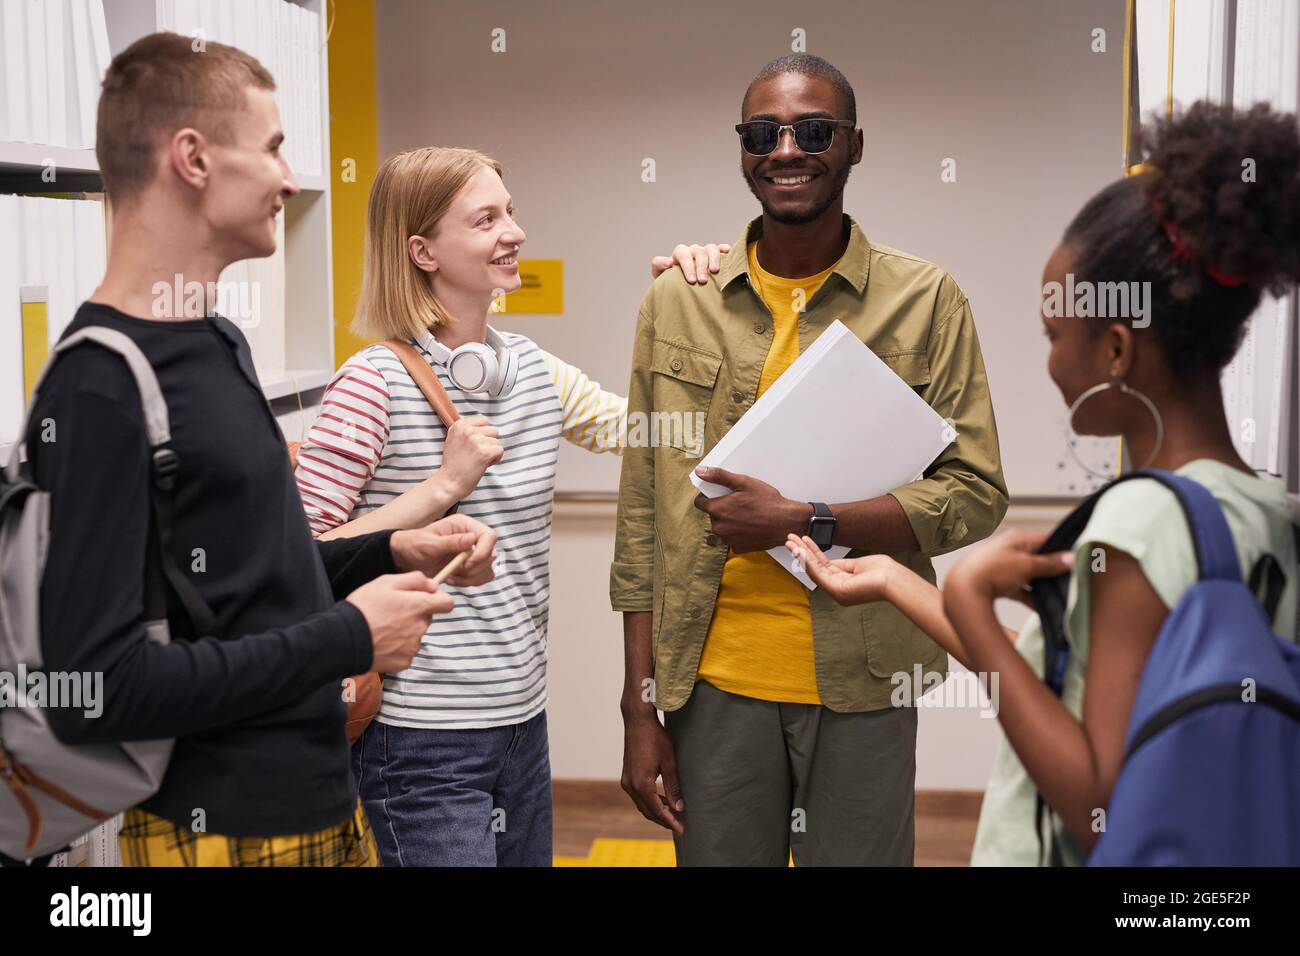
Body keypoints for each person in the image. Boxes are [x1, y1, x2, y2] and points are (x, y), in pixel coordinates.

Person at [789, 101, 1300, 865]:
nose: (1052, 363)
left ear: (1117, 349)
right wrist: (898, 581)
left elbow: (1095, 802)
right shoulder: (1268, 511)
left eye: (1055, 335)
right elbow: (1077, 687)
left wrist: (967, 595)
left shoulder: (1137, 524)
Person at [28, 33, 494, 868]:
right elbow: (96, 690)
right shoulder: (97, 386)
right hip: (215, 832)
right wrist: (351, 636)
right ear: (193, 159)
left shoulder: (217, 340)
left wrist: (387, 550)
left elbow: (245, 582)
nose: (289, 178)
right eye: (274, 147)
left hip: (317, 803)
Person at [612, 53, 1008, 866]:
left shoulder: (926, 301)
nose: (786, 149)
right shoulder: (676, 301)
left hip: (865, 680)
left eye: (814, 130)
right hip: (710, 684)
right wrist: (637, 708)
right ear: (744, 149)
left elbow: (974, 493)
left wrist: (806, 520)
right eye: (763, 132)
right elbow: (641, 519)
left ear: (855, 146)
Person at [293, 144, 726, 866]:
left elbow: (654, 434)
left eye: (511, 212)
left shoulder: (529, 368)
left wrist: (699, 311)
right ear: (423, 250)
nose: (514, 231)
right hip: (415, 737)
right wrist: (441, 488)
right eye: (485, 218)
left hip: (521, 724)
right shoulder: (370, 383)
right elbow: (301, 556)